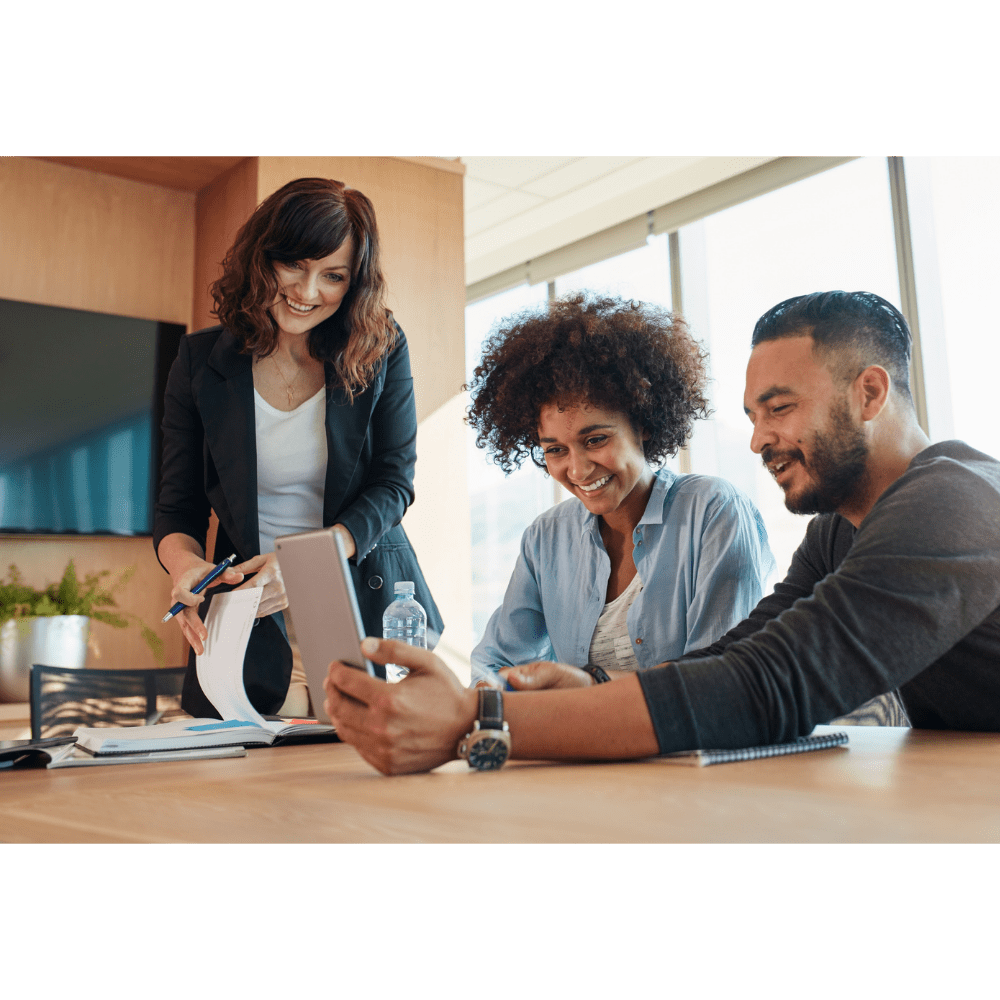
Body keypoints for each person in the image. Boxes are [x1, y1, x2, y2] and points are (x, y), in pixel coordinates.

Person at [323, 290, 1000, 775]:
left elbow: (770, 685)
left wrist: (478, 720)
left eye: (780, 408)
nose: (760, 438)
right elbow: (738, 653)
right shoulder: (839, 530)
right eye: (753, 415)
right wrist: (586, 698)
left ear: (870, 393)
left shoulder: (956, 502)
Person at [154, 177, 442, 718]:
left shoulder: (380, 347)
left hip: (364, 595)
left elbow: (394, 481)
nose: (308, 291)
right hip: (252, 613)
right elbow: (177, 504)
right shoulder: (199, 363)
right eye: (294, 265)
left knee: (374, 781)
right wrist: (185, 566)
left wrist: (314, 562)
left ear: (353, 283)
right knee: (256, 787)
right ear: (262, 258)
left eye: (333, 276)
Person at [465, 294, 774, 686]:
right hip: (576, 746)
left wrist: (593, 684)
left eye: (595, 440)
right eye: (555, 450)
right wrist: (487, 690)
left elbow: (718, 679)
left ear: (642, 424)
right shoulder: (546, 539)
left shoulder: (713, 511)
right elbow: (493, 662)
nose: (576, 469)